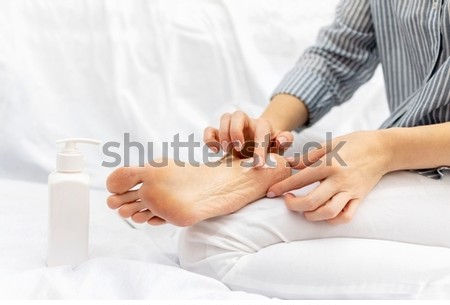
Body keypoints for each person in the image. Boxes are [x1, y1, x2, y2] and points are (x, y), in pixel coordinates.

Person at [107, 0, 450, 226]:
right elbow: (336, 58)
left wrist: (384, 150)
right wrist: (266, 130)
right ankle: (254, 167)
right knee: (312, 151)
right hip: (410, 153)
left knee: (221, 239)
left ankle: (246, 176)